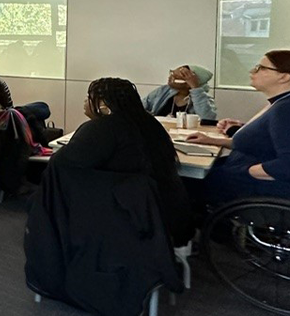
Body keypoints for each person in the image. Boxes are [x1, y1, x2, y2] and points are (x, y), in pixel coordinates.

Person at [53, 77, 193, 246]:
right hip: (170, 214)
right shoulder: (151, 123)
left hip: (133, 221)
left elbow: (61, 164)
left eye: (89, 97)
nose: (85, 102)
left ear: (104, 105)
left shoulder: (103, 128)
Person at [187, 51, 290, 202]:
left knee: (180, 186)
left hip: (269, 191)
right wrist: (213, 140)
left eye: (261, 68)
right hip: (249, 177)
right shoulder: (289, 101)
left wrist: (247, 171)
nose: (253, 71)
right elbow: (267, 142)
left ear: (284, 76)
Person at [142, 64, 217, 121]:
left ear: (189, 83)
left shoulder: (204, 99)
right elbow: (140, 106)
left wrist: (195, 88)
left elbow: (207, 119)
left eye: (176, 77)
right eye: (171, 74)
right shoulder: (163, 91)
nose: (170, 78)